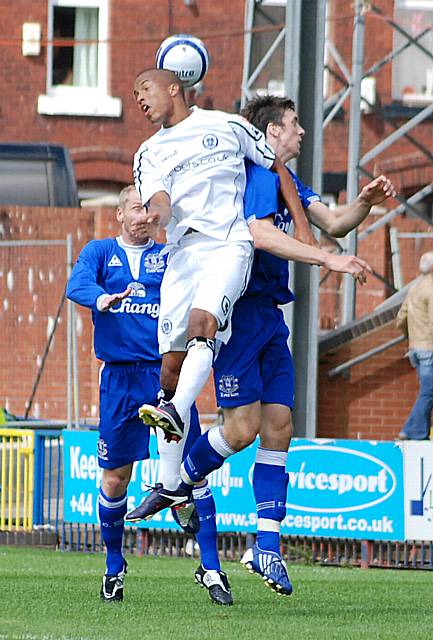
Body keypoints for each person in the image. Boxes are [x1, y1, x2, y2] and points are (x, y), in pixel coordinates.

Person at [126, 94, 395, 596]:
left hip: (271, 318)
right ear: (269, 133)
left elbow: (332, 223)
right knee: (243, 428)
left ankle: (265, 546)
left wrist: (363, 202)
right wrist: (326, 262)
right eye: (294, 124)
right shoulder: (252, 178)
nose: (301, 133)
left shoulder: (290, 183)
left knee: (280, 427)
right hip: (240, 316)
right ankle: (178, 477)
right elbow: (260, 235)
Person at [127, 67, 319, 448]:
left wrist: (305, 229)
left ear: (174, 87)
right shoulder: (148, 151)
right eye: (134, 97)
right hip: (183, 253)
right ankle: (172, 484)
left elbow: (275, 164)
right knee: (170, 369)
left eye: (144, 89)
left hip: (229, 245)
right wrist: (156, 218)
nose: (140, 100)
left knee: (206, 324)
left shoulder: (227, 125)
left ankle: (177, 409)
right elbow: (160, 201)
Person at [66, 185, 232, 606]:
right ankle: (114, 566)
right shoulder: (101, 252)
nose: (143, 215)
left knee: (192, 475)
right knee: (115, 478)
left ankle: (211, 568)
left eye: (148, 209)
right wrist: (103, 298)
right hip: (119, 381)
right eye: (136, 208)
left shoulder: (171, 255)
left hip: (167, 378)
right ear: (120, 214)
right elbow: (77, 283)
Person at [396, 251, 433, 441]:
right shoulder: (431, 289)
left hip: (414, 348)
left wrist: (409, 338)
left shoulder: (414, 288)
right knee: (429, 391)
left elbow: (401, 318)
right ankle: (412, 430)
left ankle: (421, 432)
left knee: (426, 391)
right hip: (429, 348)